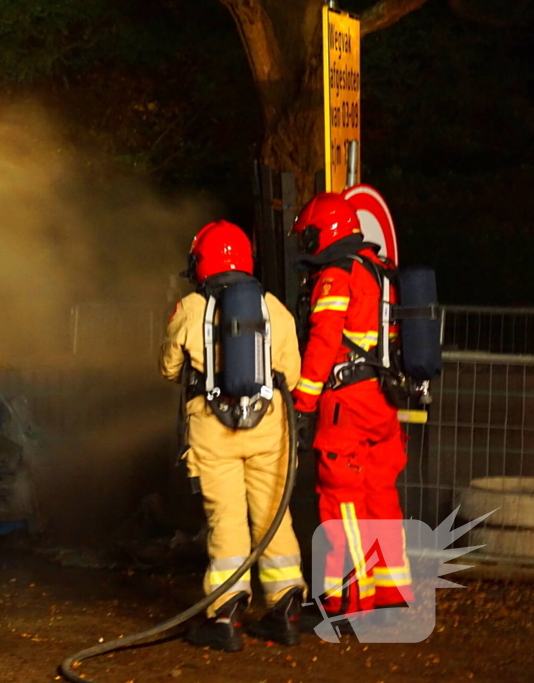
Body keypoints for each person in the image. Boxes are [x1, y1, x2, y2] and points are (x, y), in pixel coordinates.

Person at [160, 220, 306, 652]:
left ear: (200, 262)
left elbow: (168, 368)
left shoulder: (189, 308)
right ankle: (286, 609)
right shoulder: (274, 308)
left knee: (227, 520)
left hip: (212, 431)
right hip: (270, 429)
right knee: (272, 514)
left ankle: (225, 616)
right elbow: (293, 376)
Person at [291, 193, 413, 623]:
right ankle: (390, 592)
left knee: (341, 499)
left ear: (326, 231)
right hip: (384, 401)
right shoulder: (381, 272)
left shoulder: (336, 275)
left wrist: (302, 402)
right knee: (380, 495)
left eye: (308, 235)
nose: (306, 245)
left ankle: (344, 602)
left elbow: (324, 343)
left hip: (347, 402)